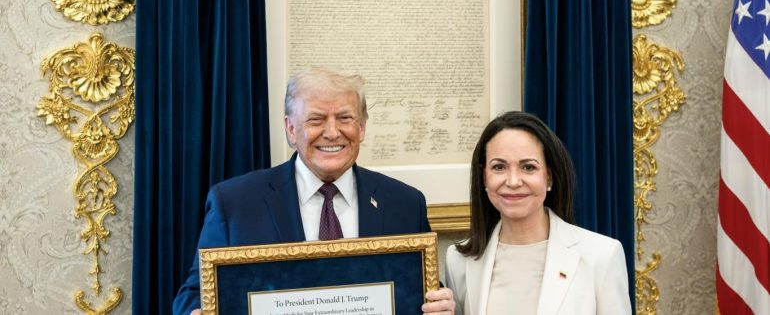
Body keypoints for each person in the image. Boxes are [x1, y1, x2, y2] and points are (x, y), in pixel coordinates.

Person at [173, 67, 455, 314]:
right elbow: (195, 292)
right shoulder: (234, 204)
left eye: (345, 118)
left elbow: (420, 291)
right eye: (316, 120)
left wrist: (441, 306)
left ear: (362, 127)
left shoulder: (405, 204)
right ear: (291, 129)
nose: (332, 133)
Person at [445, 111, 631, 315]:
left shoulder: (601, 256)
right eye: (499, 167)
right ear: (483, 177)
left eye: (528, 167)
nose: (513, 181)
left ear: (549, 177)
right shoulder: (458, 260)